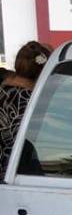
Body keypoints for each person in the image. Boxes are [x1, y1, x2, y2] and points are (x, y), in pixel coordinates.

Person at [0, 41, 51, 173]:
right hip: (13, 173)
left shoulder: (3, 91)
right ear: (43, 72)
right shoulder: (30, 101)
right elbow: (26, 146)